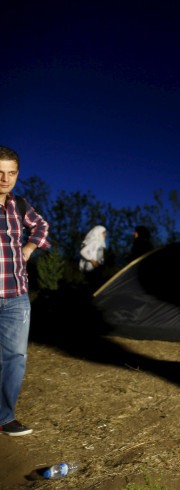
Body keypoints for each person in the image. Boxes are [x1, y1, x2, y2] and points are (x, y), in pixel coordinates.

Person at [0, 145, 51, 436]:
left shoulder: (19, 206)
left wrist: (29, 247)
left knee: (14, 359)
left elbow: (42, 226)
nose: (5, 179)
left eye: (11, 173)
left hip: (16, 297)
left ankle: (5, 417)